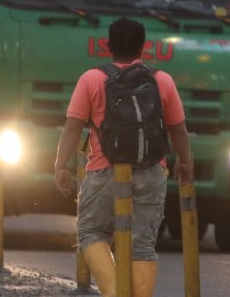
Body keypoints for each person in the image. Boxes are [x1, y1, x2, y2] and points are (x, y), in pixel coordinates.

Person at [53, 18, 193, 297]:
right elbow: (178, 128)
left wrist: (60, 165)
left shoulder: (91, 79)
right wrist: (185, 162)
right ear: (144, 47)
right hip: (152, 172)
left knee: (91, 233)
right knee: (142, 245)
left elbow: (72, 127)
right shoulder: (161, 80)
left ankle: (116, 293)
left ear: (107, 46)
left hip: (105, 172)